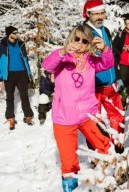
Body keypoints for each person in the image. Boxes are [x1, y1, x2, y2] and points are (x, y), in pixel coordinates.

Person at [42, 25, 113, 192]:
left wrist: (105, 49)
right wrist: (62, 51)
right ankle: (71, 189)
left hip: (88, 114)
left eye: (85, 40)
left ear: (89, 43)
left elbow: (107, 63)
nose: (80, 43)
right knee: (69, 163)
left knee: (105, 146)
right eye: (77, 39)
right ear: (71, 39)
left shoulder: (90, 60)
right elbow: (47, 65)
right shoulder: (62, 57)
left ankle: (112, 178)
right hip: (64, 117)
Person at [82, 0, 125, 153]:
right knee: (94, 123)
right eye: (96, 14)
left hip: (110, 83)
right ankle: (99, 154)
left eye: (102, 13)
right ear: (88, 14)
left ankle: (118, 148)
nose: (100, 17)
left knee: (118, 116)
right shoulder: (82, 32)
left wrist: (117, 75)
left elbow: (111, 55)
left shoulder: (105, 30)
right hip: (92, 87)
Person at [0, 26, 34, 130]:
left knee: (24, 95)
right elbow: (0, 62)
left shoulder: (21, 43)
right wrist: (1, 79)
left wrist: (29, 73)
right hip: (9, 74)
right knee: (9, 97)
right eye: (14, 33)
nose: (17, 34)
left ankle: (28, 116)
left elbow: (25, 59)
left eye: (17, 32)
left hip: (22, 73)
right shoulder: (2, 45)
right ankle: (10, 118)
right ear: (9, 34)